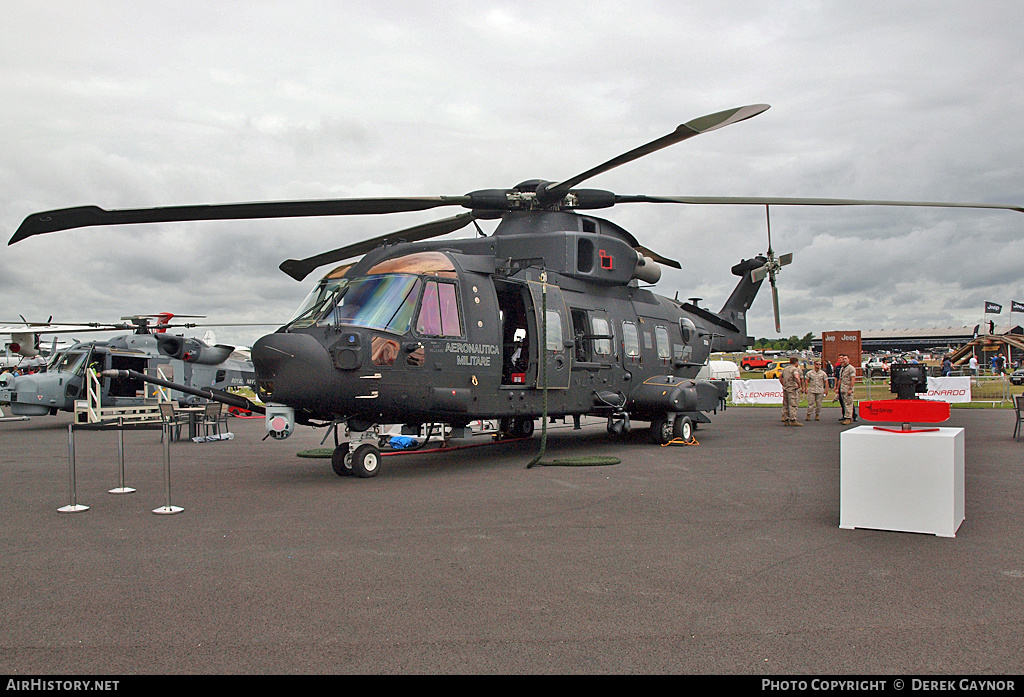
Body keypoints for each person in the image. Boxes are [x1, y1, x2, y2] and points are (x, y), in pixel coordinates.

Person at [779, 356, 804, 426]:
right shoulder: (794, 369)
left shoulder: (785, 369)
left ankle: (786, 419)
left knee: (785, 404)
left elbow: (780, 377)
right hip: (792, 388)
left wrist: (783, 384)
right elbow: (796, 377)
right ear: (796, 362)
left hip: (786, 388)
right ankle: (793, 419)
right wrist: (799, 385)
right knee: (793, 404)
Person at [833, 353, 857, 425]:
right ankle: (846, 416)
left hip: (847, 388)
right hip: (842, 389)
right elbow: (840, 379)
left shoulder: (851, 368)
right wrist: (837, 388)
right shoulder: (842, 369)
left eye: (845, 359)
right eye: (843, 359)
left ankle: (849, 418)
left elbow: (853, 379)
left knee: (849, 404)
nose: (844, 360)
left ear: (849, 360)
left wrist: (850, 388)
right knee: (844, 404)